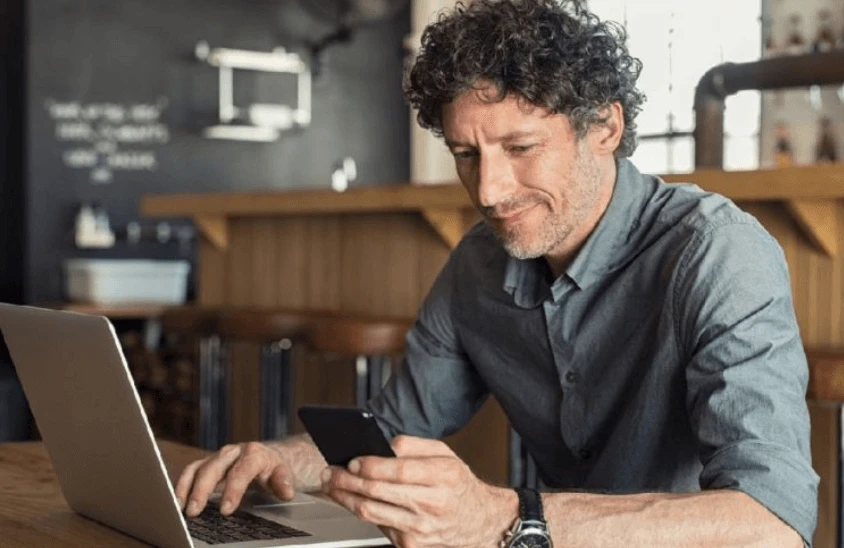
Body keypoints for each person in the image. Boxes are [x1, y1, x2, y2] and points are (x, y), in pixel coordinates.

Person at [176, 0, 818, 546]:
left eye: (520, 148)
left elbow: (771, 521)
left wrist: (507, 518)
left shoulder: (718, 252)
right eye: (465, 154)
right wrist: (282, 459)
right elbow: (393, 430)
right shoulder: (480, 264)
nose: (488, 190)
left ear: (605, 126)